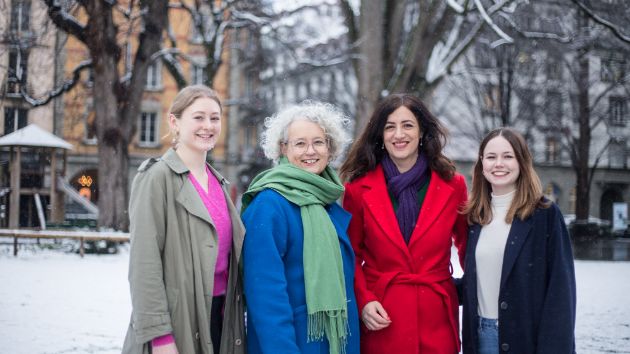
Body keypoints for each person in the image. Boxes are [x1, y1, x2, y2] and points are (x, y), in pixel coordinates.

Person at [339, 94, 468, 354]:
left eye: (407, 125)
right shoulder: (358, 189)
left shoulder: (453, 186)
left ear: (422, 132)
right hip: (382, 315)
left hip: (437, 317)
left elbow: (469, 248)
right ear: (381, 136)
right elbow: (350, 254)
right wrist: (363, 300)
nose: (399, 134)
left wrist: (467, 291)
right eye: (390, 126)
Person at [122, 85, 245, 354]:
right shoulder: (156, 178)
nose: (208, 126)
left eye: (215, 118)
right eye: (198, 117)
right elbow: (144, 264)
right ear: (174, 122)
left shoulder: (219, 183)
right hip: (177, 325)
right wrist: (160, 338)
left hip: (220, 321)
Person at [241, 101, 360, 354]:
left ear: (330, 148)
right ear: (283, 148)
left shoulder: (326, 201)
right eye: (300, 143)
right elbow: (265, 296)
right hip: (293, 343)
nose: (310, 151)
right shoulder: (269, 205)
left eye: (318, 142)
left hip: (334, 342)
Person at [461, 127, 576, 354]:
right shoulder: (476, 216)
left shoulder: (545, 214)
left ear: (522, 162)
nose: (499, 164)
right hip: (480, 336)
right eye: (491, 157)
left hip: (527, 339)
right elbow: (478, 281)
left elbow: (561, 291)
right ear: (482, 164)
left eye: (508, 156)